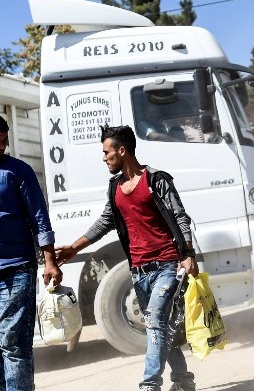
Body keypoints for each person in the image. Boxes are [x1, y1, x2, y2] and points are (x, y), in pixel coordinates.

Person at [55, 125, 198, 391]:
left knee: (155, 320)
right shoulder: (115, 188)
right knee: (159, 326)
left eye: (106, 152)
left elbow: (181, 216)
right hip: (139, 271)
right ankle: (183, 380)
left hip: (167, 265)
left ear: (122, 150)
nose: (104, 157)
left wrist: (188, 254)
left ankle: (149, 384)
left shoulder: (156, 180)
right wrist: (74, 248)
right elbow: (105, 221)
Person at [0, 115, 62, 391]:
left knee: (12, 341)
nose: (1, 146)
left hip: (17, 268)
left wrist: (50, 261)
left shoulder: (18, 171)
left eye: (4, 141)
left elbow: (39, 218)